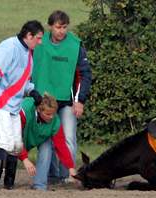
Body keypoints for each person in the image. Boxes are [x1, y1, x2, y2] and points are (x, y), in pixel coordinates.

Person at [0, 20, 44, 190]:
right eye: (38, 38)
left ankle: (9, 183)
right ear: (28, 36)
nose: (40, 42)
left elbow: (23, 82)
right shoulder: (8, 47)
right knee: (7, 144)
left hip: (14, 105)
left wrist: (32, 92)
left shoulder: (29, 53)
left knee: (16, 146)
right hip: (0, 101)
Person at [32, 10, 92, 184]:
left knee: (68, 137)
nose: (61, 31)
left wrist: (80, 100)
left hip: (67, 100)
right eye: (58, 27)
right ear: (50, 26)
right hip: (44, 100)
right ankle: (51, 176)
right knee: (46, 138)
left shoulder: (76, 46)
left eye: (64, 27)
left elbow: (85, 74)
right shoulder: (39, 42)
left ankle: (67, 176)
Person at [16, 94, 75, 191]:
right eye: (48, 114)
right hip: (19, 137)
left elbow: (61, 146)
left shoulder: (55, 121)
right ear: (39, 110)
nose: (51, 117)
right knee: (7, 154)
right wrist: (25, 158)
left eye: (53, 114)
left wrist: (71, 167)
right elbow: (15, 137)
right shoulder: (25, 112)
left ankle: (40, 185)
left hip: (41, 137)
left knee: (47, 147)